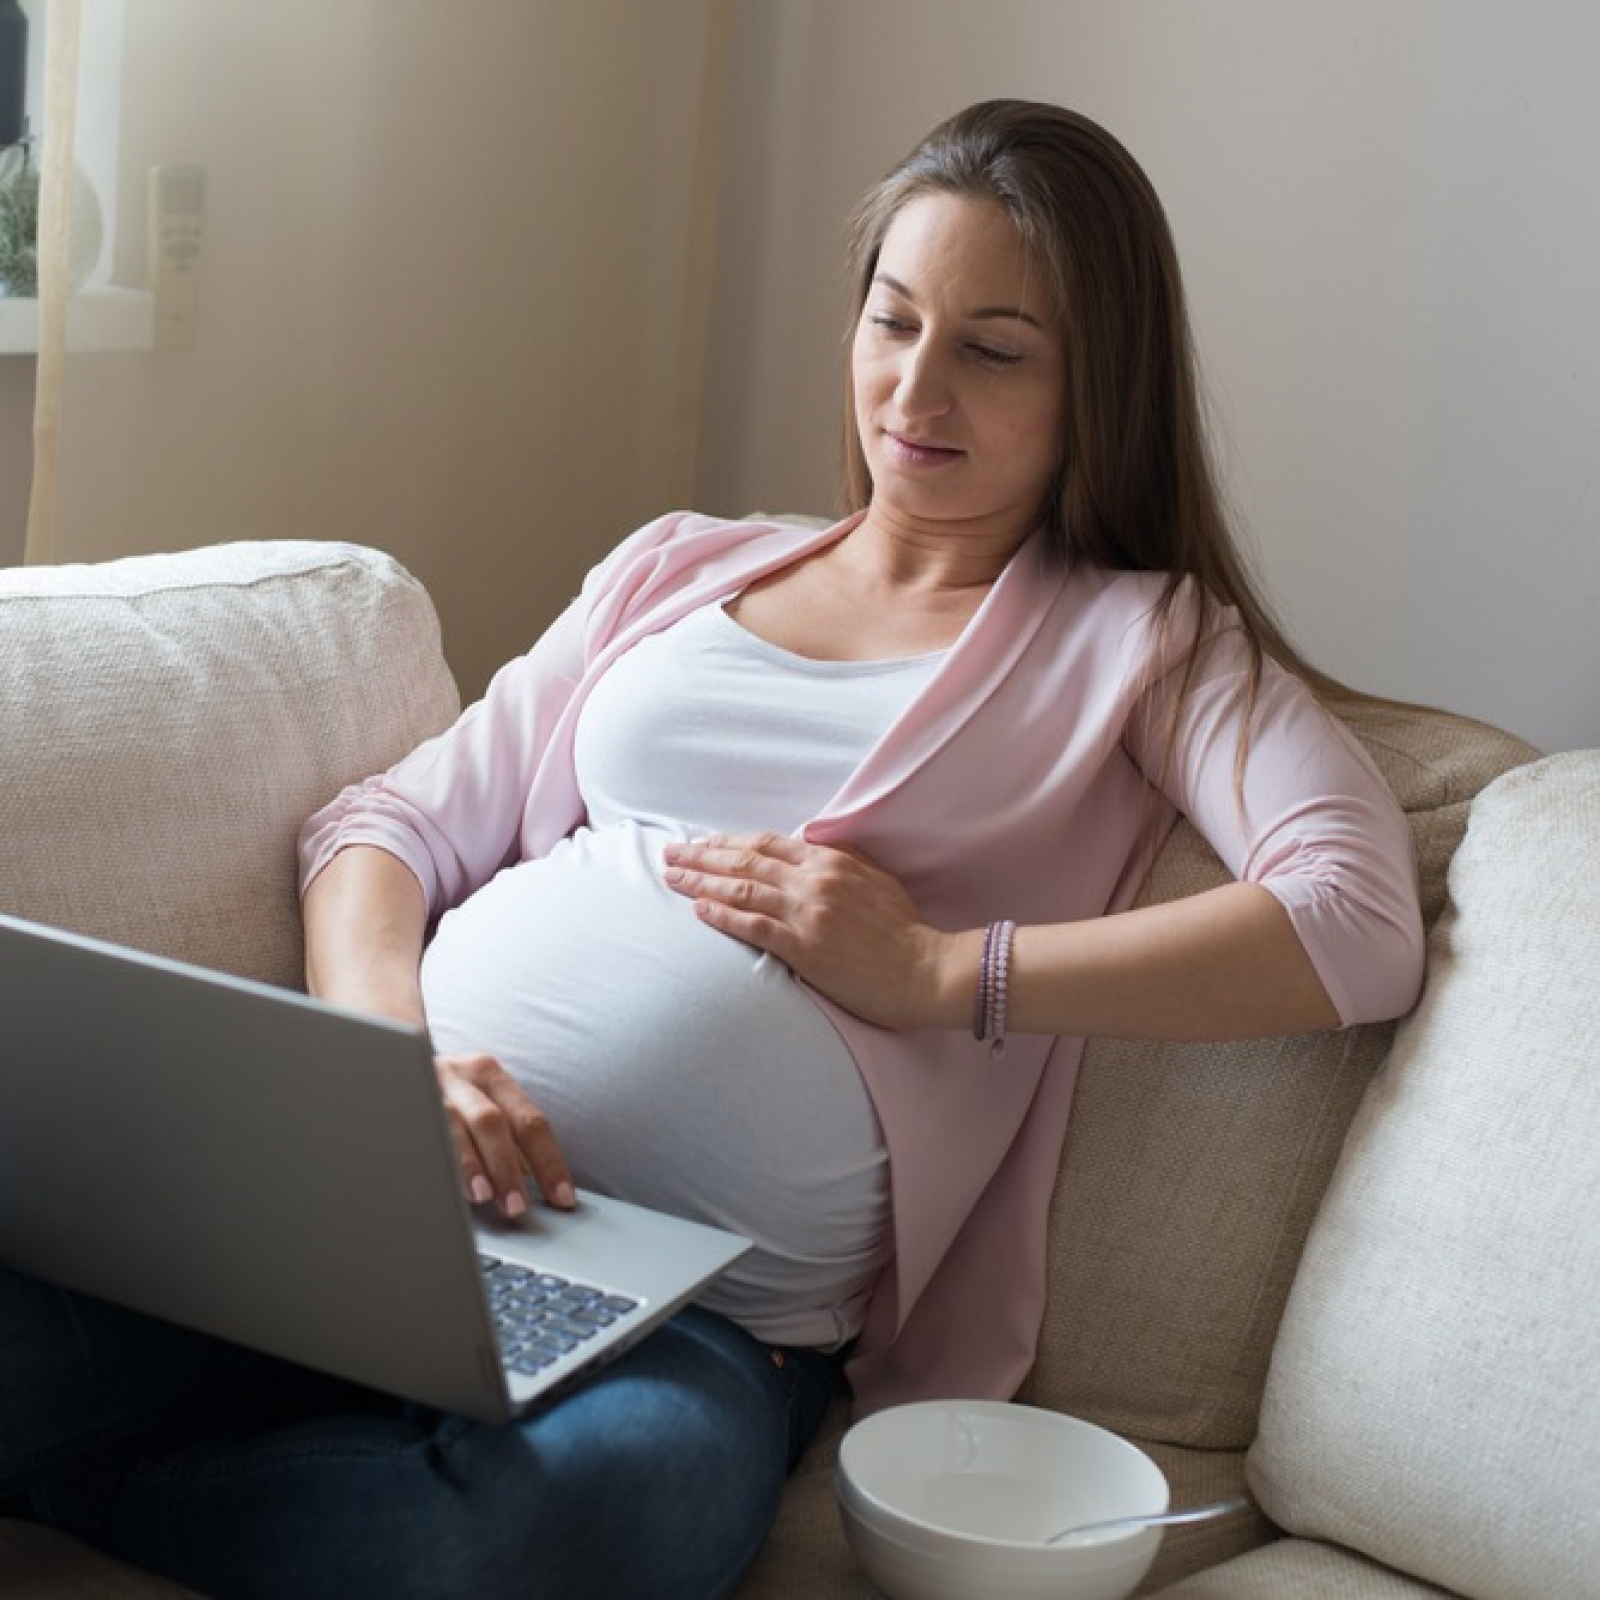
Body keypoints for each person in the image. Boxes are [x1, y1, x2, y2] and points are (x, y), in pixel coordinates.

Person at [0, 99, 1423, 1597]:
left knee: (601, 1515)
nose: (913, 388)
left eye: (994, 350)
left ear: (1098, 386)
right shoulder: (682, 567)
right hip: (371, 1201)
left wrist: (944, 970)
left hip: (693, 1315)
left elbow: (1355, 918)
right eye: (892, 322)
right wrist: (387, 1063)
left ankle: (109, 1479)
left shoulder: (1144, 645)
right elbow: (386, 826)